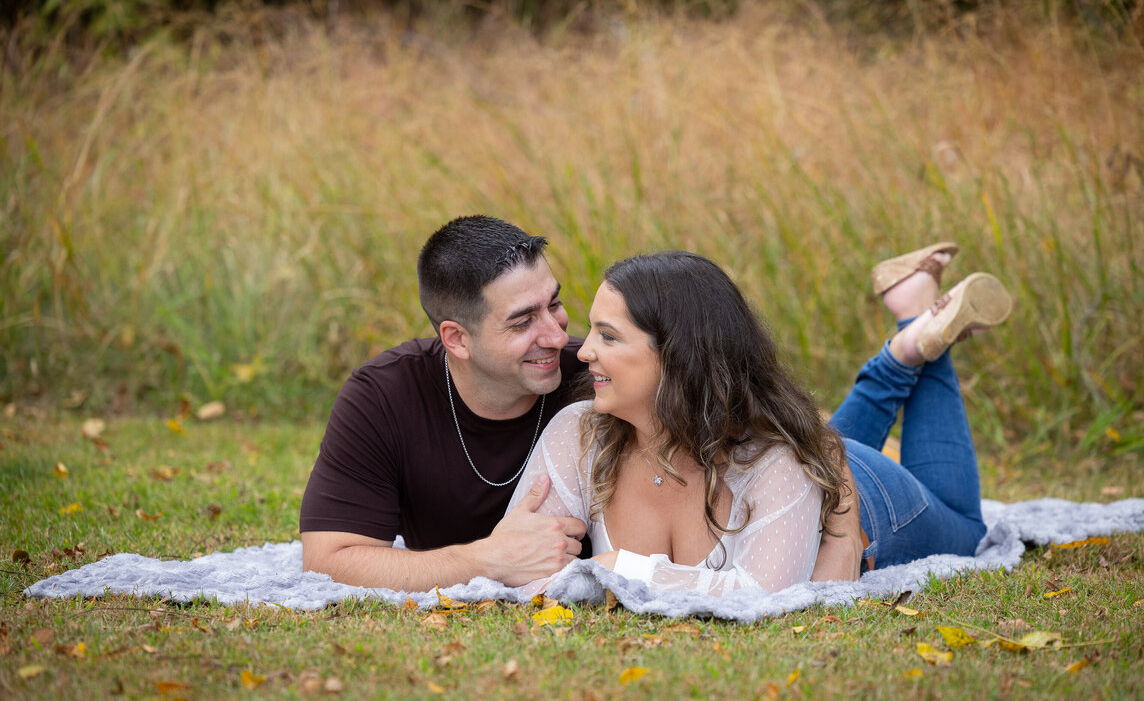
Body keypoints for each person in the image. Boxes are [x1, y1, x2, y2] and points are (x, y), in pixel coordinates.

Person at [299, 214, 860, 592]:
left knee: (908, 486)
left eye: (556, 304)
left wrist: (837, 493)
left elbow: (776, 423)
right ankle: (908, 348)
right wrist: (483, 561)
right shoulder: (386, 398)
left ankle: (901, 356)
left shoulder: (595, 374)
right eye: (523, 320)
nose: (563, 340)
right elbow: (329, 558)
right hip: (731, 471)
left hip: (833, 482)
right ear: (457, 339)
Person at [507, 244, 1011, 594]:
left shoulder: (775, 460)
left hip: (864, 496)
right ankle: (910, 329)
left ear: (679, 356)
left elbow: (766, 596)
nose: (584, 352)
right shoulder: (579, 433)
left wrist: (621, 569)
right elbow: (520, 568)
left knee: (968, 532)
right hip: (798, 458)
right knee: (814, 445)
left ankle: (916, 334)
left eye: (609, 336)